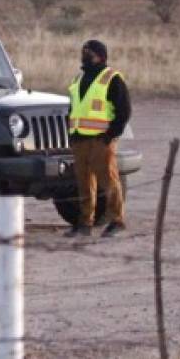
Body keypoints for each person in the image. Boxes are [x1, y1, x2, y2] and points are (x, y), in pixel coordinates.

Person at [65, 39, 131, 238]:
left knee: (108, 181)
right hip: (80, 140)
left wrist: (110, 135)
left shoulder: (112, 78)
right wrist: (71, 134)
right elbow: (73, 108)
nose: (84, 55)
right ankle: (85, 223)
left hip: (101, 140)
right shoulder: (78, 79)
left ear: (100, 56)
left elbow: (124, 111)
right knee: (84, 183)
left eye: (89, 52)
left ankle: (117, 221)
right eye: (83, 51)